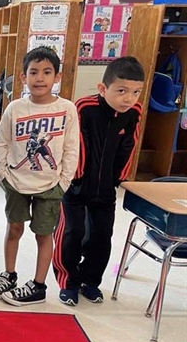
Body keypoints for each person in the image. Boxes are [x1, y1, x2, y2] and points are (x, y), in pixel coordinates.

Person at [0, 46, 79, 306]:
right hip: (17, 184)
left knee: (44, 235)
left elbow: (72, 148)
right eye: (33, 72)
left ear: (57, 77)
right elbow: (1, 141)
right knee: (14, 228)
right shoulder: (16, 108)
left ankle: (38, 285)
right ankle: (9, 274)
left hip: (50, 186)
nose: (40, 78)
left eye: (47, 72)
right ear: (23, 77)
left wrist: (64, 182)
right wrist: (3, 174)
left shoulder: (67, 109)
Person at [53, 57, 144, 306]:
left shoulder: (134, 112)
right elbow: (74, 145)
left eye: (136, 92)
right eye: (122, 91)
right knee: (72, 232)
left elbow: (129, 146)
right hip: (76, 186)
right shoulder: (83, 107)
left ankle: (90, 282)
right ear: (103, 89)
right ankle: (68, 282)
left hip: (105, 190)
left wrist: (117, 179)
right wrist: (75, 177)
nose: (129, 98)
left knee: (102, 236)